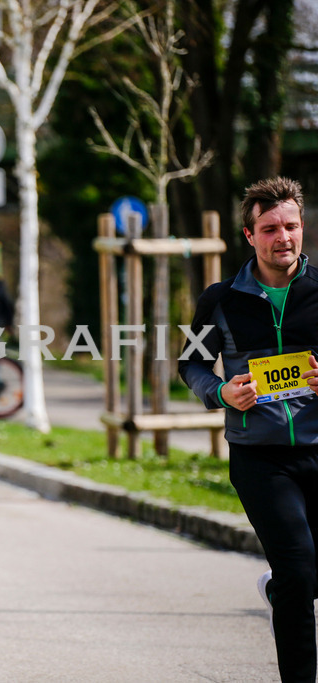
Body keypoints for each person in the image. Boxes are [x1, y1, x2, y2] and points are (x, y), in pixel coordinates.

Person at [179, 176, 318, 683]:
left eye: (292, 226)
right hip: (260, 457)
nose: (284, 237)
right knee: (300, 572)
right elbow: (189, 365)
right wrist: (221, 393)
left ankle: (282, 586)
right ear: (249, 235)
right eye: (270, 228)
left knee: (299, 579)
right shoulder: (221, 299)